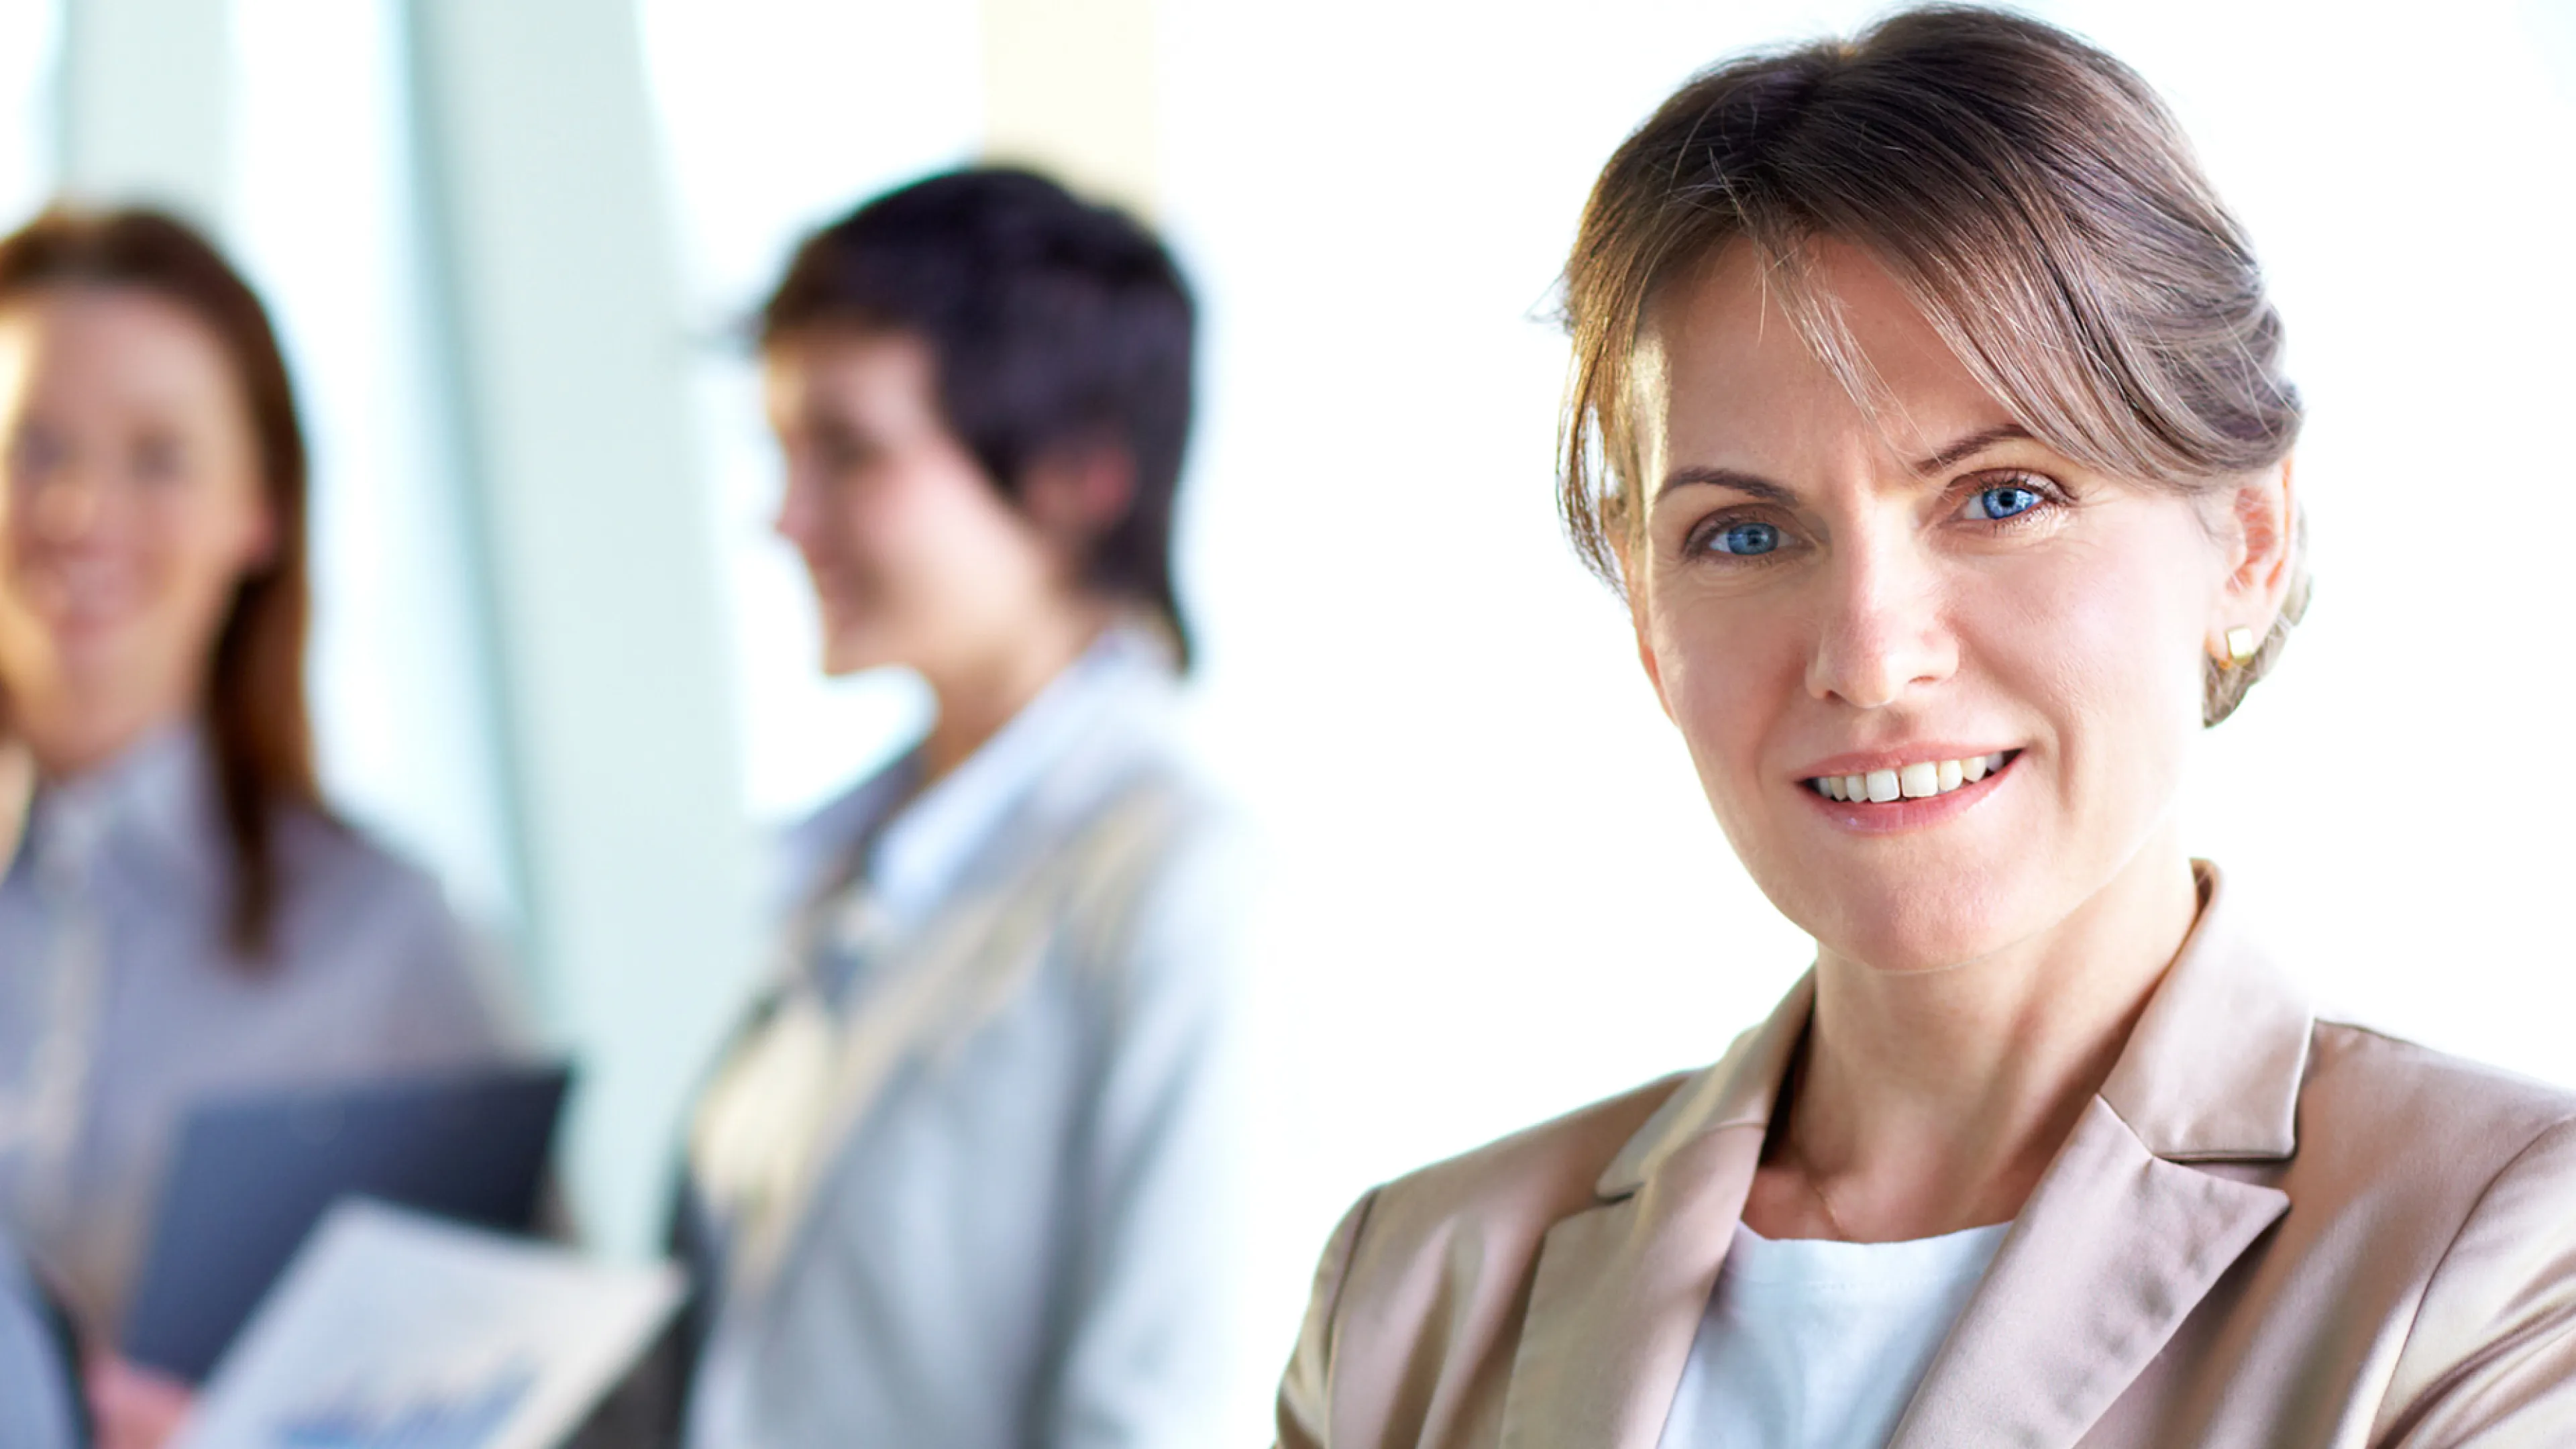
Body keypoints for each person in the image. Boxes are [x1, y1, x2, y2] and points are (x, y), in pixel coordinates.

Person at [1275, 9, 2576, 1446]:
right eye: (1745, 533)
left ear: (2249, 544)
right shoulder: (1409, 1302)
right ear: (1649, 620)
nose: (1871, 657)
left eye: (2003, 497)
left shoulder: (2507, 1261)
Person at [672, 168, 1246, 1448]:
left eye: (849, 453)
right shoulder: (861, 869)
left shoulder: (1178, 878)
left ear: (1080, 477)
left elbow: (1161, 1416)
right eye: (783, 455)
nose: (786, 518)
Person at [0, 207, 513, 1438]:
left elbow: (552, 1398)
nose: (81, 510)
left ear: (261, 512)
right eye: (33, 447)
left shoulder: (382, 940)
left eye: (159, 457)